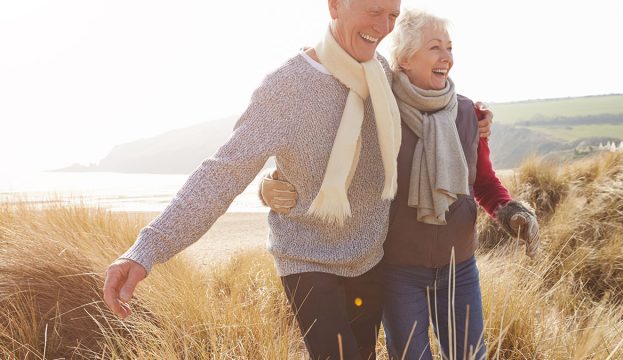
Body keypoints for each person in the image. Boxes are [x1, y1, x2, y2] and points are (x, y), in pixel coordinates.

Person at [105, 1, 405, 359]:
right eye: (375, 11)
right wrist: (146, 250)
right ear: (335, 6)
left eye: (393, 15)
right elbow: (223, 173)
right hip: (306, 257)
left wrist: (474, 122)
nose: (384, 26)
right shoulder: (287, 87)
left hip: (369, 254)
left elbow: (426, 107)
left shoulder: (382, 73)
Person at [259, 9, 540, 360]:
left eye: (450, 48)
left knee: (470, 356)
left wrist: (509, 211)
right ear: (404, 59)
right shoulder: (379, 109)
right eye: (435, 48)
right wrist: (270, 184)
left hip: (460, 268)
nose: (446, 57)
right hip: (398, 272)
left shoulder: (468, 113)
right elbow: (331, 161)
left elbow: (482, 183)